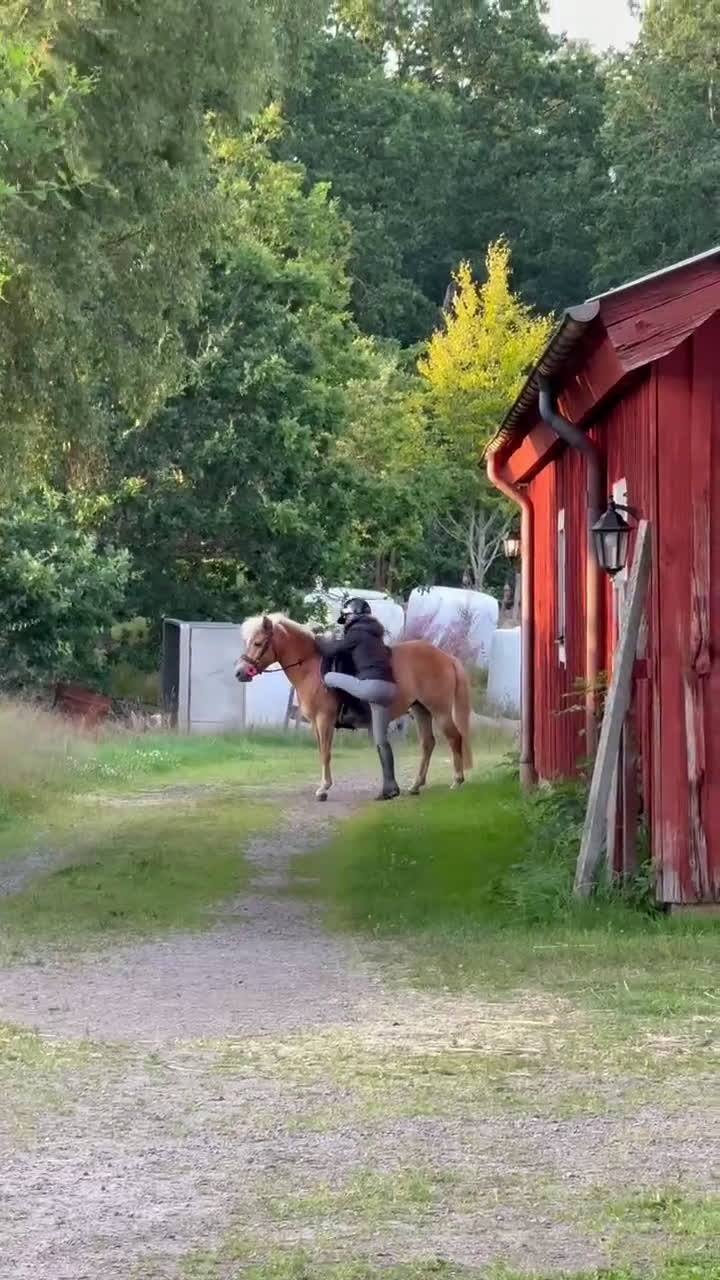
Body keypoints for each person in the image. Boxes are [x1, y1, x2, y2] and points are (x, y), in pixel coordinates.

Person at [315, 597, 400, 800]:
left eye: (347, 616)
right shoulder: (375, 635)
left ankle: (344, 712)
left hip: (370, 687)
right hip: (389, 689)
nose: (347, 621)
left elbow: (332, 650)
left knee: (328, 677)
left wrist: (317, 640)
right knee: (381, 740)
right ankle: (391, 785)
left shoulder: (356, 632)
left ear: (354, 614)